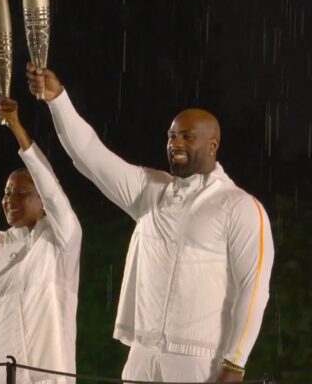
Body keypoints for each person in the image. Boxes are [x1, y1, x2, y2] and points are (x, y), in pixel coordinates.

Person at [26, 63, 274, 382]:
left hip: (200, 362)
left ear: (213, 145)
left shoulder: (239, 206)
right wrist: (57, 99)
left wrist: (235, 364)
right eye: (171, 136)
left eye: (187, 137)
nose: (176, 144)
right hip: (141, 357)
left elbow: (253, 290)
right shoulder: (149, 190)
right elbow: (88, 154)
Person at [0, 98, 82, 384]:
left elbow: (54, 190)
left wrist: (17, 128)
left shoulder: (60, 243)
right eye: (7, 192)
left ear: (42, 202)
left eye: (23, 193)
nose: (11, 200)